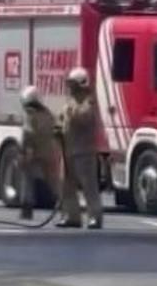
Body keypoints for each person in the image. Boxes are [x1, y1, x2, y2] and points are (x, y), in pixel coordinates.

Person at [59, 67, 103, 230]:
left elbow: (84, 118)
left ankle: (94, 217)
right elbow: (63, 120)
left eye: (73, 84)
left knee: (89, 186)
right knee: (66, 185)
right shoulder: (71, 102)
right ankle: (72, 216)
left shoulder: (88, 102)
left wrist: (71, 112)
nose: (70, 88)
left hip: (84, 152)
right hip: (69, 150)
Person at [19, 84, 62, 220]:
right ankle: (64, 206)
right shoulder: (48, 114)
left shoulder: (30, 114)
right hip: (49, 151)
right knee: (53, 181)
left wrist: (24, 152)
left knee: (27, 180)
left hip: (34, 152)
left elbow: (28, 133)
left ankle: (26, 210)